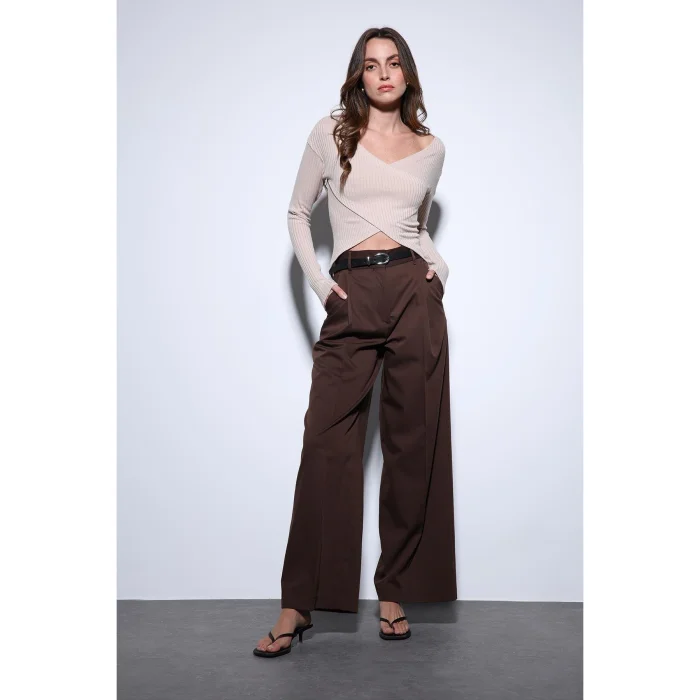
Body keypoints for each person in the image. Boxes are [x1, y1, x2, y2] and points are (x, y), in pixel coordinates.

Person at [254, 27, 456, 658]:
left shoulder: (430, 149)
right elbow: (297, 213)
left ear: (407, 74)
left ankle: (395, 590)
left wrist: (438, 269)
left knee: (413, 442)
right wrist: (322, 285)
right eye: (371, 65)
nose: (384, 73)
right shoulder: (332, 133)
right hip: (351, 292)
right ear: (359, 77)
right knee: (326, 445)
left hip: (413, 295)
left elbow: (415, 225)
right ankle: (298, 604)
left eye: (393, 63)